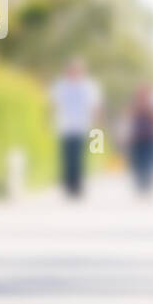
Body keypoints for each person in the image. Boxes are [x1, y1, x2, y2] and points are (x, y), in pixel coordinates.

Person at [50, 57, 101, 198]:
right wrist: (50, 118)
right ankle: (69, 185)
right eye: (71, 70)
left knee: (78, 157)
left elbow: (94, 105)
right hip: (65, 126)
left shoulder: (88, 86)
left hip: (81, 126)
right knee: (67, 157)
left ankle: (77, 185)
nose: (74, 72)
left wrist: (96, 124)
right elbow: (54, 103)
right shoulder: (61, 86)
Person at [127, 84, 153, 194]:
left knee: (148, 161)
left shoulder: (152, 106)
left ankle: (147, 184)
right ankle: (140, 184)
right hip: (137, 137)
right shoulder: (135, 105)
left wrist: (148, 110)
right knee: (138, 161)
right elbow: (130, 119)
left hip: (149, 136)